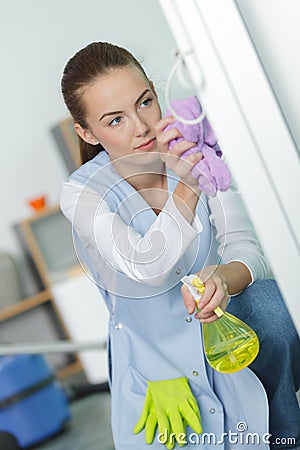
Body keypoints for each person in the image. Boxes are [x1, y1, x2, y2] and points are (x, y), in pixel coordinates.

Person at [59, 42, 300, 449]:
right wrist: (187, 184)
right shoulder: (83, 193)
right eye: (115, 120)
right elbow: (147, 265)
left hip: (223, 344)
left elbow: (247, 247)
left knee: (273, 307)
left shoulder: (197, 150)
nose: (142, 127)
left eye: (146, 102)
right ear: (87, 133)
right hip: (157, 371)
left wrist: (225, 276)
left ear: (156, 91)